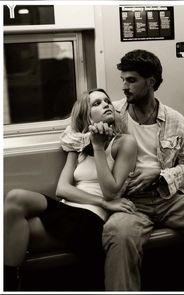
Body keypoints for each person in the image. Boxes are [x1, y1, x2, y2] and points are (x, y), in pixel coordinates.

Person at [60, 50, 184, 291]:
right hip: (129, 202)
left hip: (168, 197)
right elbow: (70, 133)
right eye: (122, 80)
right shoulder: (113, 112)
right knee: (118, 235)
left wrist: (161, 175)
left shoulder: (175, 120)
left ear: (150, 81)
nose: (124, 87)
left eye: (131, 80)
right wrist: (91, 137)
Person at [4, 88, 137, 291]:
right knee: (14, 198)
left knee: (9, 233)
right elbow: (62, 189)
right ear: (88, 117)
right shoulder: (78, 146)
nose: (106, 105)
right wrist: (102, 201)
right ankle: (11, 284)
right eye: (97, 103)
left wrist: (99, 147)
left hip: (90, 220)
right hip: (68, 209)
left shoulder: (124, 142)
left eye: (106, 101)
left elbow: (111, 192)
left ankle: (9, 284)